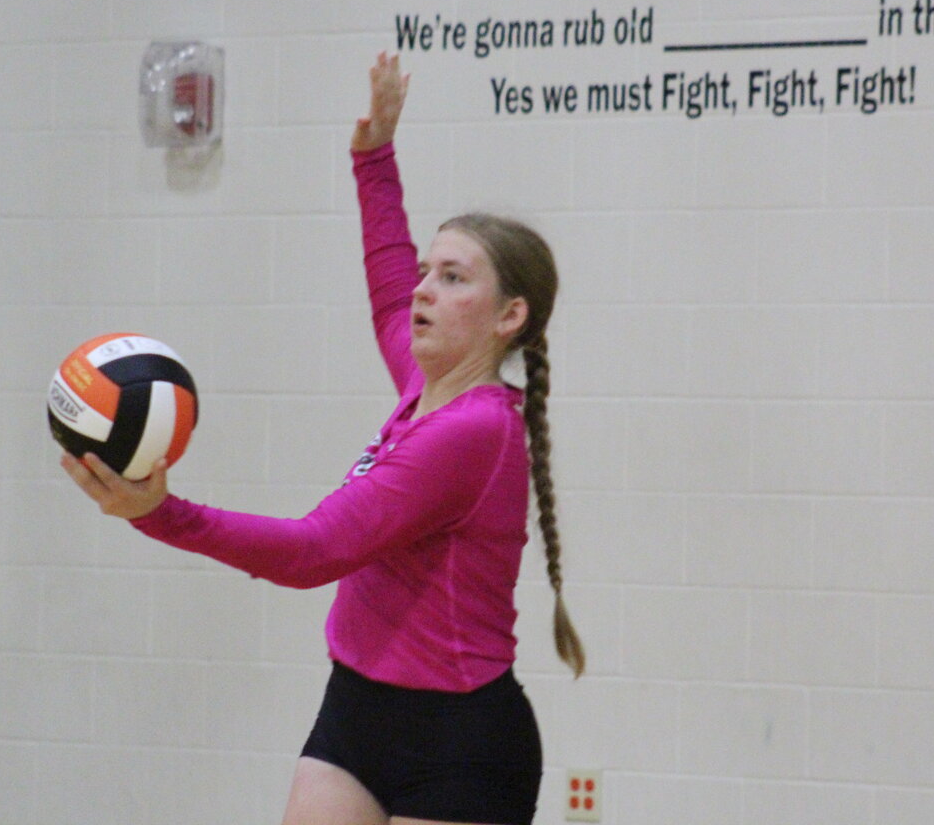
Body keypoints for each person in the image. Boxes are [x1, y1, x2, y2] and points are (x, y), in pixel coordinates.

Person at [61, 53, 583, 825]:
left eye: (453, 278)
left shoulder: (474, 433)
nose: (423, 288)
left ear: (509, 316)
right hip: (356, 711)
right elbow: (386, 277)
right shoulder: (424, 385)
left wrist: (159, 512)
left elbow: (315, 552)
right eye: (428, 271)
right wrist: (374, 154)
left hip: (459, 740)